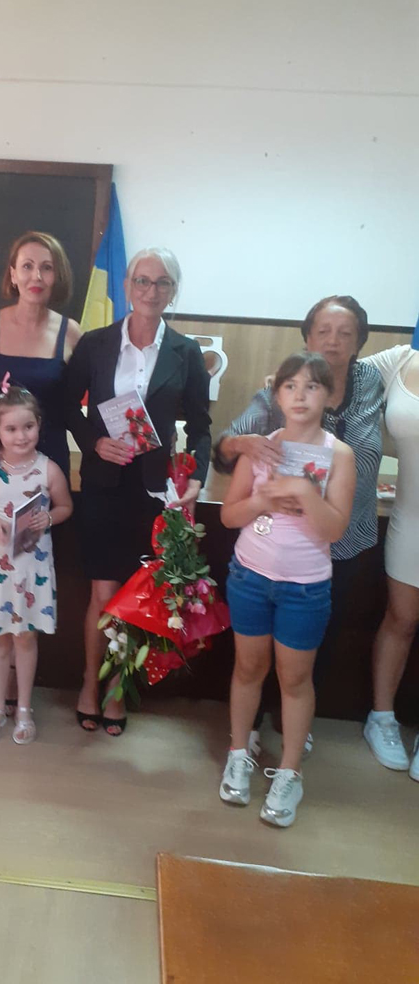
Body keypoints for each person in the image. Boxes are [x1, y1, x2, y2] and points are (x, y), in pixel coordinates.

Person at [214, 295, 384, 749]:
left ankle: (294, 731)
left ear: (359, 343)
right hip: (264, 553)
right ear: (307, 336)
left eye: (345, 333)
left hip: (338, 543)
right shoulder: (279, 394)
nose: (334, 341)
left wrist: (307, 493)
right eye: (323, 331)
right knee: (252, 659)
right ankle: (248, 731)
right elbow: (227, 447)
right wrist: (245, 449)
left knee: (308, 655)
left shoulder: (371, 383)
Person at [65, 248, 211, 735]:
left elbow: (202, 427)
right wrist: (94, 441)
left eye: (162, 282)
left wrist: (198, 477)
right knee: (103, 593)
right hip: (104, 484)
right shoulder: (96, 343)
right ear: (127, 286)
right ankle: (90, 683)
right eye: (142, 280)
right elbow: (65, 406)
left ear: (173, 291)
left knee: (139, 594)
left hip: (153, 491)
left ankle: (117, 689)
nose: (151, 291)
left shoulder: (186, 352)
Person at [219, 353, 355, 827]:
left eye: (312, 387)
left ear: (329, 396)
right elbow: (229, 515)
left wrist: (303, 491)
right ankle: (239, 752)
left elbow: (334, 530)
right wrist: (264, 499)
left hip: (305, 587)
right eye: (291, 386)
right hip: (249, 577)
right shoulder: (262, 448)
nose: (300, 395)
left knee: (295, 680)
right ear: (276, 395)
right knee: (248, 668)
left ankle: (290, 773)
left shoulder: (339, 455)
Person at [0, 231, 82, 717]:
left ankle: (25, 677)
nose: (37, 275)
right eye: (27, 266)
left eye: (47, 267)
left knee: (30, 565)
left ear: (57, 277)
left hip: (44, 463)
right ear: (12, 274)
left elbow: (79, 406)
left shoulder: (71, 333)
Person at [0, 378, 73, 745]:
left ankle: (23, 707)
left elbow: (65, 506)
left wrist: (50, 518)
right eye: (11, 429)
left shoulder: (48, 469)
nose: (21, 436)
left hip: (32, 569)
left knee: (25, 639)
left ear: (39, 425)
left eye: (28, 426)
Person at [359, 342, 419, 779]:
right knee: (402, 618)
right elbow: (334, 371)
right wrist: (283, 381)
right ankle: (381, 718)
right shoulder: (400, 359)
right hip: (411, 517)